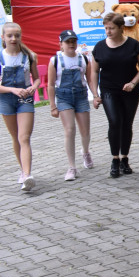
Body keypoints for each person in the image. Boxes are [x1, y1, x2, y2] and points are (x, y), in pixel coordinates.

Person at [89, 12, 139, 178]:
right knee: (115, 121)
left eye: (112, 28)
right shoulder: (100, 47)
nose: (108, 31)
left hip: (129, 90)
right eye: (106, 28)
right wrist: (95, 94)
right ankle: (115, 159)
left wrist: (133, 82)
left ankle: (125, 158)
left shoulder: (133, 45)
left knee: (126, 124)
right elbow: (94, 71)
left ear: (121, 28)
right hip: (109, 90)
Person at [0, 22, 39, 191]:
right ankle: (22, 170)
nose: (13, 38)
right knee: (16, 136)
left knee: (24, 137)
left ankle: (27, 175)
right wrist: (12, 89)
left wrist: (33, 86)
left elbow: (37, 78)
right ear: (3, 37)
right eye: (10, 35)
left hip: (25, 100)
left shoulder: (28, 56)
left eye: (17, 35)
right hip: (6, 100)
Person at [48, 30, 94, 181]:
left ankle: (85, 152)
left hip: (81, 96)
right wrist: (52, 106)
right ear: (61, 44)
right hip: (64, 97)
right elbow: (50, 85)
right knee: (69, 130)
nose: (71, 44)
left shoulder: (84, 59)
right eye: (67, 42)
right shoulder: (55, 60)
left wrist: (95, 95)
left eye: (73, 41)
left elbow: (90, 79)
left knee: (85, 131)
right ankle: (72, 167)